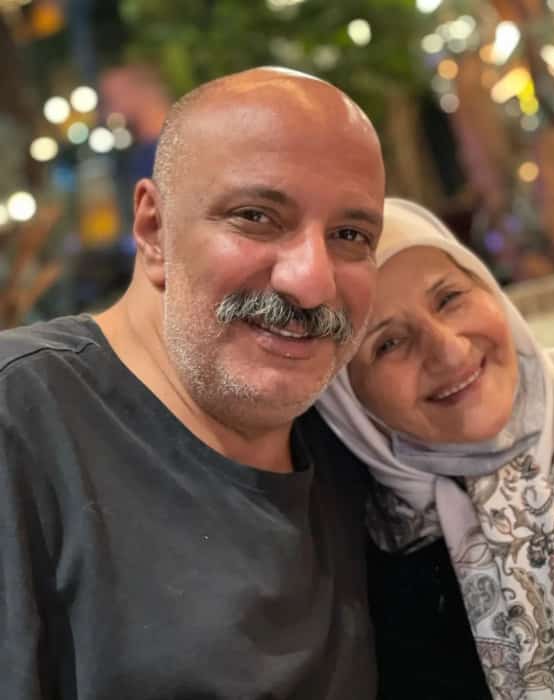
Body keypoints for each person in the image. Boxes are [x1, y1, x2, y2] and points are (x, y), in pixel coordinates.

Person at [0, 68, 385, 699]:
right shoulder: (21, 420)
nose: (313, 283)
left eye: (350, 235)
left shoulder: (359, 442)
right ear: (154, 229)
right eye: (257, 217)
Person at [318, 197, 554, 699]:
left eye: (449, 298)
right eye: (388, 343)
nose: (448, 350)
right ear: (348, 399)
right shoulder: (380, 567)